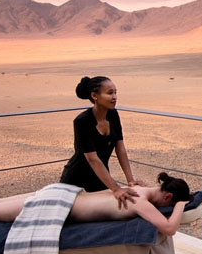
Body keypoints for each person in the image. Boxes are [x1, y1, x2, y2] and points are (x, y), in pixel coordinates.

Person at [0, 172, 193, 236]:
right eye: (171, 201)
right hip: (55, 207)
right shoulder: (141, 200)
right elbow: (167, 228)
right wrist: (181, 206)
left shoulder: (135, 188)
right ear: (167, 197)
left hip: (61, 195)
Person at [59, 76, 144, 207]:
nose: (114, 97)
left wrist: (130, 180)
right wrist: (116, 188)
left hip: (101, 178)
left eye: (116, 92)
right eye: (110, 93)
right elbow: (92, 159)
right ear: (94, 95)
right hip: (76, 179)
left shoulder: (113, 115)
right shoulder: (82, 121)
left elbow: (120, 149)